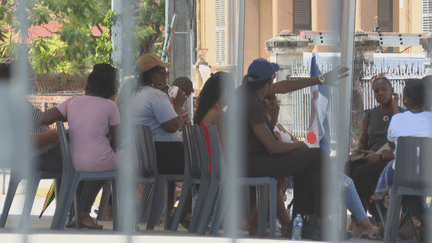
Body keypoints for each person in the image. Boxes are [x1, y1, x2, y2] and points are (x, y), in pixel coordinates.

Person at [227, 58, 349, 239]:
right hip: (251, 164)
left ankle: (301, 223)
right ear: (270, 80)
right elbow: (273, 147)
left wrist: (320, 79)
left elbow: (285, 87)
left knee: (306, 158)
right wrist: (298, 144)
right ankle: (320, 224)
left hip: (247, 161)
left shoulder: (248, 93)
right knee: (318, 156)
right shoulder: (251, 104)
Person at [266, 93, 378, 238]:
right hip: (294, 169)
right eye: (278, 102)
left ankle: (363, 225)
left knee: (339, 173)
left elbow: (298, 141)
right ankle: (365, 226)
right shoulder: (269, 128)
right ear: (270, 105)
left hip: (303, 163)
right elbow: (283, 146)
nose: (279, 107)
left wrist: (305, 140)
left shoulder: (278, 125)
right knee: (346, 182)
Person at [40, 63, 122, 229]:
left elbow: (44, 118)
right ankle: (84, 213)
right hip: (98, 161)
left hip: (73, 161)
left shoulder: (72, 102)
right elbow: (118, 140)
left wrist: (70, 116)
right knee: (118, 159)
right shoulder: (111, 106)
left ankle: (75, 214)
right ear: (110, 90)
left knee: (94, 161)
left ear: (88, 84)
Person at [130, 53, 191, 227]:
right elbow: (173, 126)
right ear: (155, 75)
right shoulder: (155, 96)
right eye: (164, 72)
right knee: (206, 165)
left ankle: (178, 214)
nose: (166, 76)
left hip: (150, 157)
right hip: (164, 157)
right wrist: (178, 104)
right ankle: (184, 213)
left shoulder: (136, 95)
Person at [345, 76, 404, 227]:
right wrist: (357, 152)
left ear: (392, 90)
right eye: (376, 91)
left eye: (384, 89)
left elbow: (402, 142)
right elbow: (363, 140)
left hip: (391, 160)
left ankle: (380, 217)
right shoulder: (369, 115)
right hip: (371, 156)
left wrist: (394, 107)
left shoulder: (401, 114)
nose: (380, 93)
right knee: (348, 167)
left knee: (359, 173)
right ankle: (359, 217)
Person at [374, 78, 432, 223]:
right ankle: (419, 219)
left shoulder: (397, 119)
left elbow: (392, 145)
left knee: (397, 169)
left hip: (402, 177)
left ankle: (408, 220)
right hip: (429, 176)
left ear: (406, 99)